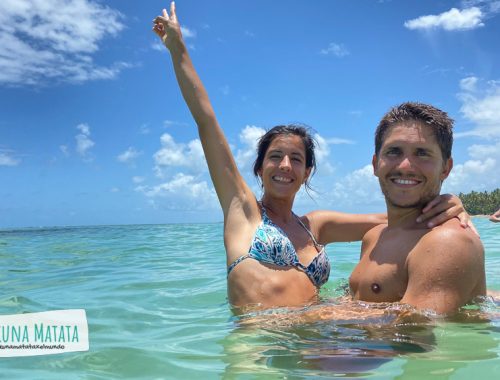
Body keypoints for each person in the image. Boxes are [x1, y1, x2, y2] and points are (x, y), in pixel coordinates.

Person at [153, 3, 473, 311]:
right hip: (261, 354)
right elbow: (206, 121)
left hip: (316, 347)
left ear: (307, 172)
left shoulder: (315, 226)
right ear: (259, 168)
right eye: (275, 156)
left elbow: (401, 218)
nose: (284, 165)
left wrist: (449, 206)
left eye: (296, 159)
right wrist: (178, 49)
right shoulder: (243, 212)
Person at [350, 102, 486, 314]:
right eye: (394, 151)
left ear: (446, 168)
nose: (405, 166)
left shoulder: (447, 241)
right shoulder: (373, 237)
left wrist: (296, 321)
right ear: (376, 164)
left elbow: (413, 333)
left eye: (422, 153)